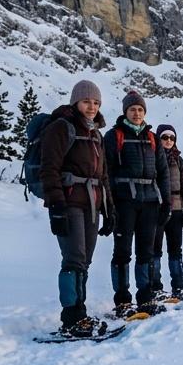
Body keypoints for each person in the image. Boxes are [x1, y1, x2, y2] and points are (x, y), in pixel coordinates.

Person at [40, 79, 113, 336]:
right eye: (86, 102)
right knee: (73, 259)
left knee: (85, 260)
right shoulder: (62, 128)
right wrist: (56, 206)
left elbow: (103, 175)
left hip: (92, 204)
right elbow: (50, 169)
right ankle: (71, 317)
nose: (91, 107)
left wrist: (109, 209)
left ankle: (80, 313)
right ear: (76, 102)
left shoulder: (96, 133)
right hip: (69, 202)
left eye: (96, 103)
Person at [103, 89, 170, 317]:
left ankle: (146, 297)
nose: (137, 113)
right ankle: (122, 300)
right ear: (125, 111)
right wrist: (109, 204)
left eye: (141, 109)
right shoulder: (114, 136)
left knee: (146, 252)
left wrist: (166, 202)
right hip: (125, 202)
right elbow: (107, 172)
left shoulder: (151, 138)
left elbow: (163, 172)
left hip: (150, 202)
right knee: (122, 252)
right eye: (133, 109)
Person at [148, 123, 183, 300]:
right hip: (157, 208)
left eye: (172, 138)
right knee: (155, 249)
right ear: (158, 138)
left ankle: (178, 286)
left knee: (175, 249)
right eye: (165, 137)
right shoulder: (151, 156)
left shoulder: (178, 159)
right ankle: (156, 287)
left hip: (176, 208)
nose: (168, 141)